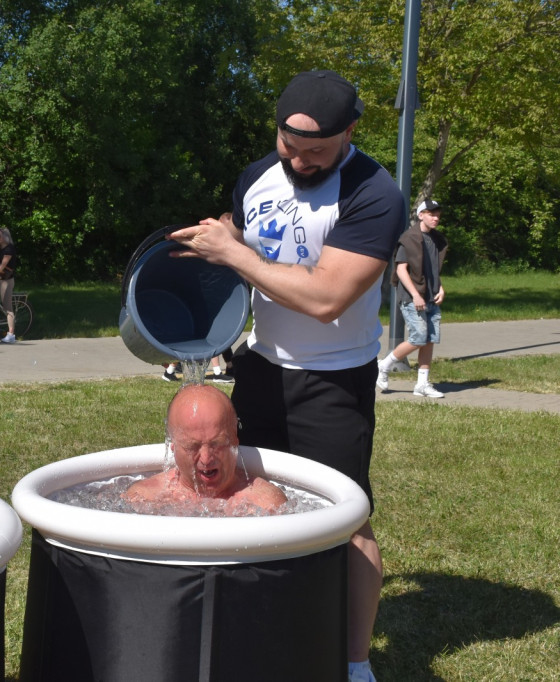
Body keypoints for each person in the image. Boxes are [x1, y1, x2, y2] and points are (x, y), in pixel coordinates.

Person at [168, 70, 407, 682]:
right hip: (262, 368)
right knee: (248, 499)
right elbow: (246, 248)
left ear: (349, 133)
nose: (299, 161)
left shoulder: (374, 193)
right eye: (289, 146)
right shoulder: (255, 176)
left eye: (316, 151)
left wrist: (237, 253)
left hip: (332, 378)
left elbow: (327, 297)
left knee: (348, 522)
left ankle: (354, 663)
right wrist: (211, 248)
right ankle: (267, 625)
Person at [124, 385, 286, 513]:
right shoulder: (144, 499)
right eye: (192, 446)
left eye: (217, 443)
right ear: (173, 446)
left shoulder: (265, 504)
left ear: (235, 439)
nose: (206, 459)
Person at [376, 200, 448, 398]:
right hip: (412, 297)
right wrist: (416, 295)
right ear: (421, 215)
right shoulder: (409, 239)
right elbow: (401, 270)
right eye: (431, 214)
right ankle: (385, 364)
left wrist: (440, 287)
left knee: (429, 340)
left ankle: (422, 384)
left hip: (431, 296)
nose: (436, 218)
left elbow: (433, 270)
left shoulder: (435, 240)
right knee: (418, 337)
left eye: (438, 215)